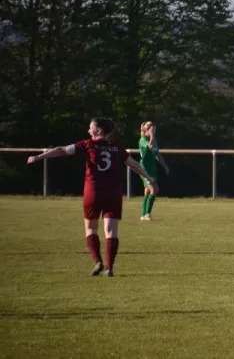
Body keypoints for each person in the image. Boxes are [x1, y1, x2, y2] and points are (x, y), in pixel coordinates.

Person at [27, 118, 158, 277]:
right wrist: (148, 177)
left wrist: (39, 157)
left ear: (98, 130)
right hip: (113, 193)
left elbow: (61, 150)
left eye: (90, 128)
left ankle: (98, 261)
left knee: (90, 228)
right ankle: (109, 268)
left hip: (93, 192)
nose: (88, 131)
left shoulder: (88, 144)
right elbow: (135, 165)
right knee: (111, 231)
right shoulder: (116, 148)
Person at [139, 121, 169, 221]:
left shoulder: (154, 140)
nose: (154, 132)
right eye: (152, 129)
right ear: (145, 130)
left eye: (154, 130)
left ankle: (143, 215)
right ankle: (147, 214)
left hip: (152, 169)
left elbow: (157, 154)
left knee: (148, 191)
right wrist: (151, 135)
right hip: (145, 169)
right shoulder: (142, 140)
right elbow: (150, 146)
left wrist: (164, 166)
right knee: (154, 189)